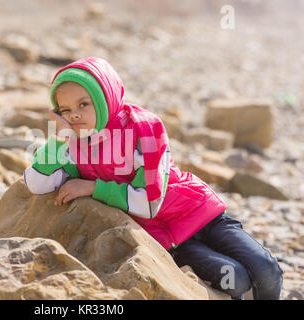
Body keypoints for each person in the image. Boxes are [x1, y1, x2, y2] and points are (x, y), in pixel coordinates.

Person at [23, 56, 283, 299]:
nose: (75, 115)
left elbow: (148, 203)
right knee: (234, 278)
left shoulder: (143, 128)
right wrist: (58, 138)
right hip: (167, 240)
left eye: (83, 104)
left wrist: (93, 187)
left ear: (106, 98)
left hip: (200, 215)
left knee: (266, 269)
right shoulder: (71, 144)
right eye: (65, 110)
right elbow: (36, 183)